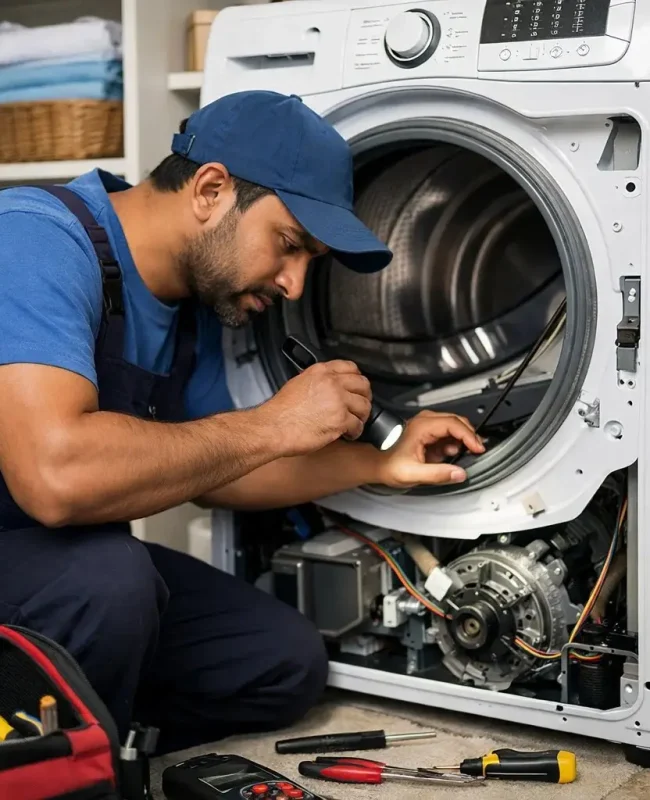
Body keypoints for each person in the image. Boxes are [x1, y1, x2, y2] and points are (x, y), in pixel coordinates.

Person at [0, 90, 484, 753]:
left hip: (62, 565)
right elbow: (52, 477)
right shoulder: (34, 240)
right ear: (209, 189)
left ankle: (93, 727)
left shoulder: (189, 305)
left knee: (281, 661)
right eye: (289, 245)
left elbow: (218, 471)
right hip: (45, 551)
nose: (293, 284)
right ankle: (62, 763)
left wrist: (381, 463)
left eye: (309, 260)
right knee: (112, 583)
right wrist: (273, 423)